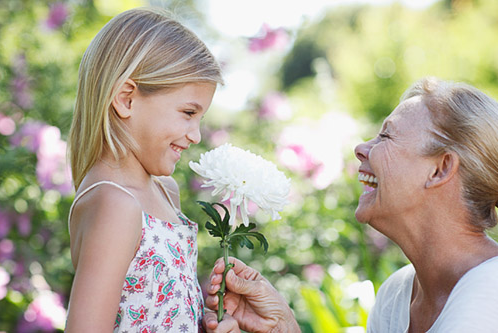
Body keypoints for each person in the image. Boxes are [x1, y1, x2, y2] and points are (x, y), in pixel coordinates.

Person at [203, 77, 498, 333]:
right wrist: (282, 325)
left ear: (440, 169)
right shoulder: (396, 295)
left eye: (386, 135)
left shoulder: (489, 295)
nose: (361, 148)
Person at [65, 7, 226, 332]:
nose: (195, 135)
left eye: (200, 118)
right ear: (126, 99)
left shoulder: (165, 192)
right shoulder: (115, 204)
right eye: (187, 112)